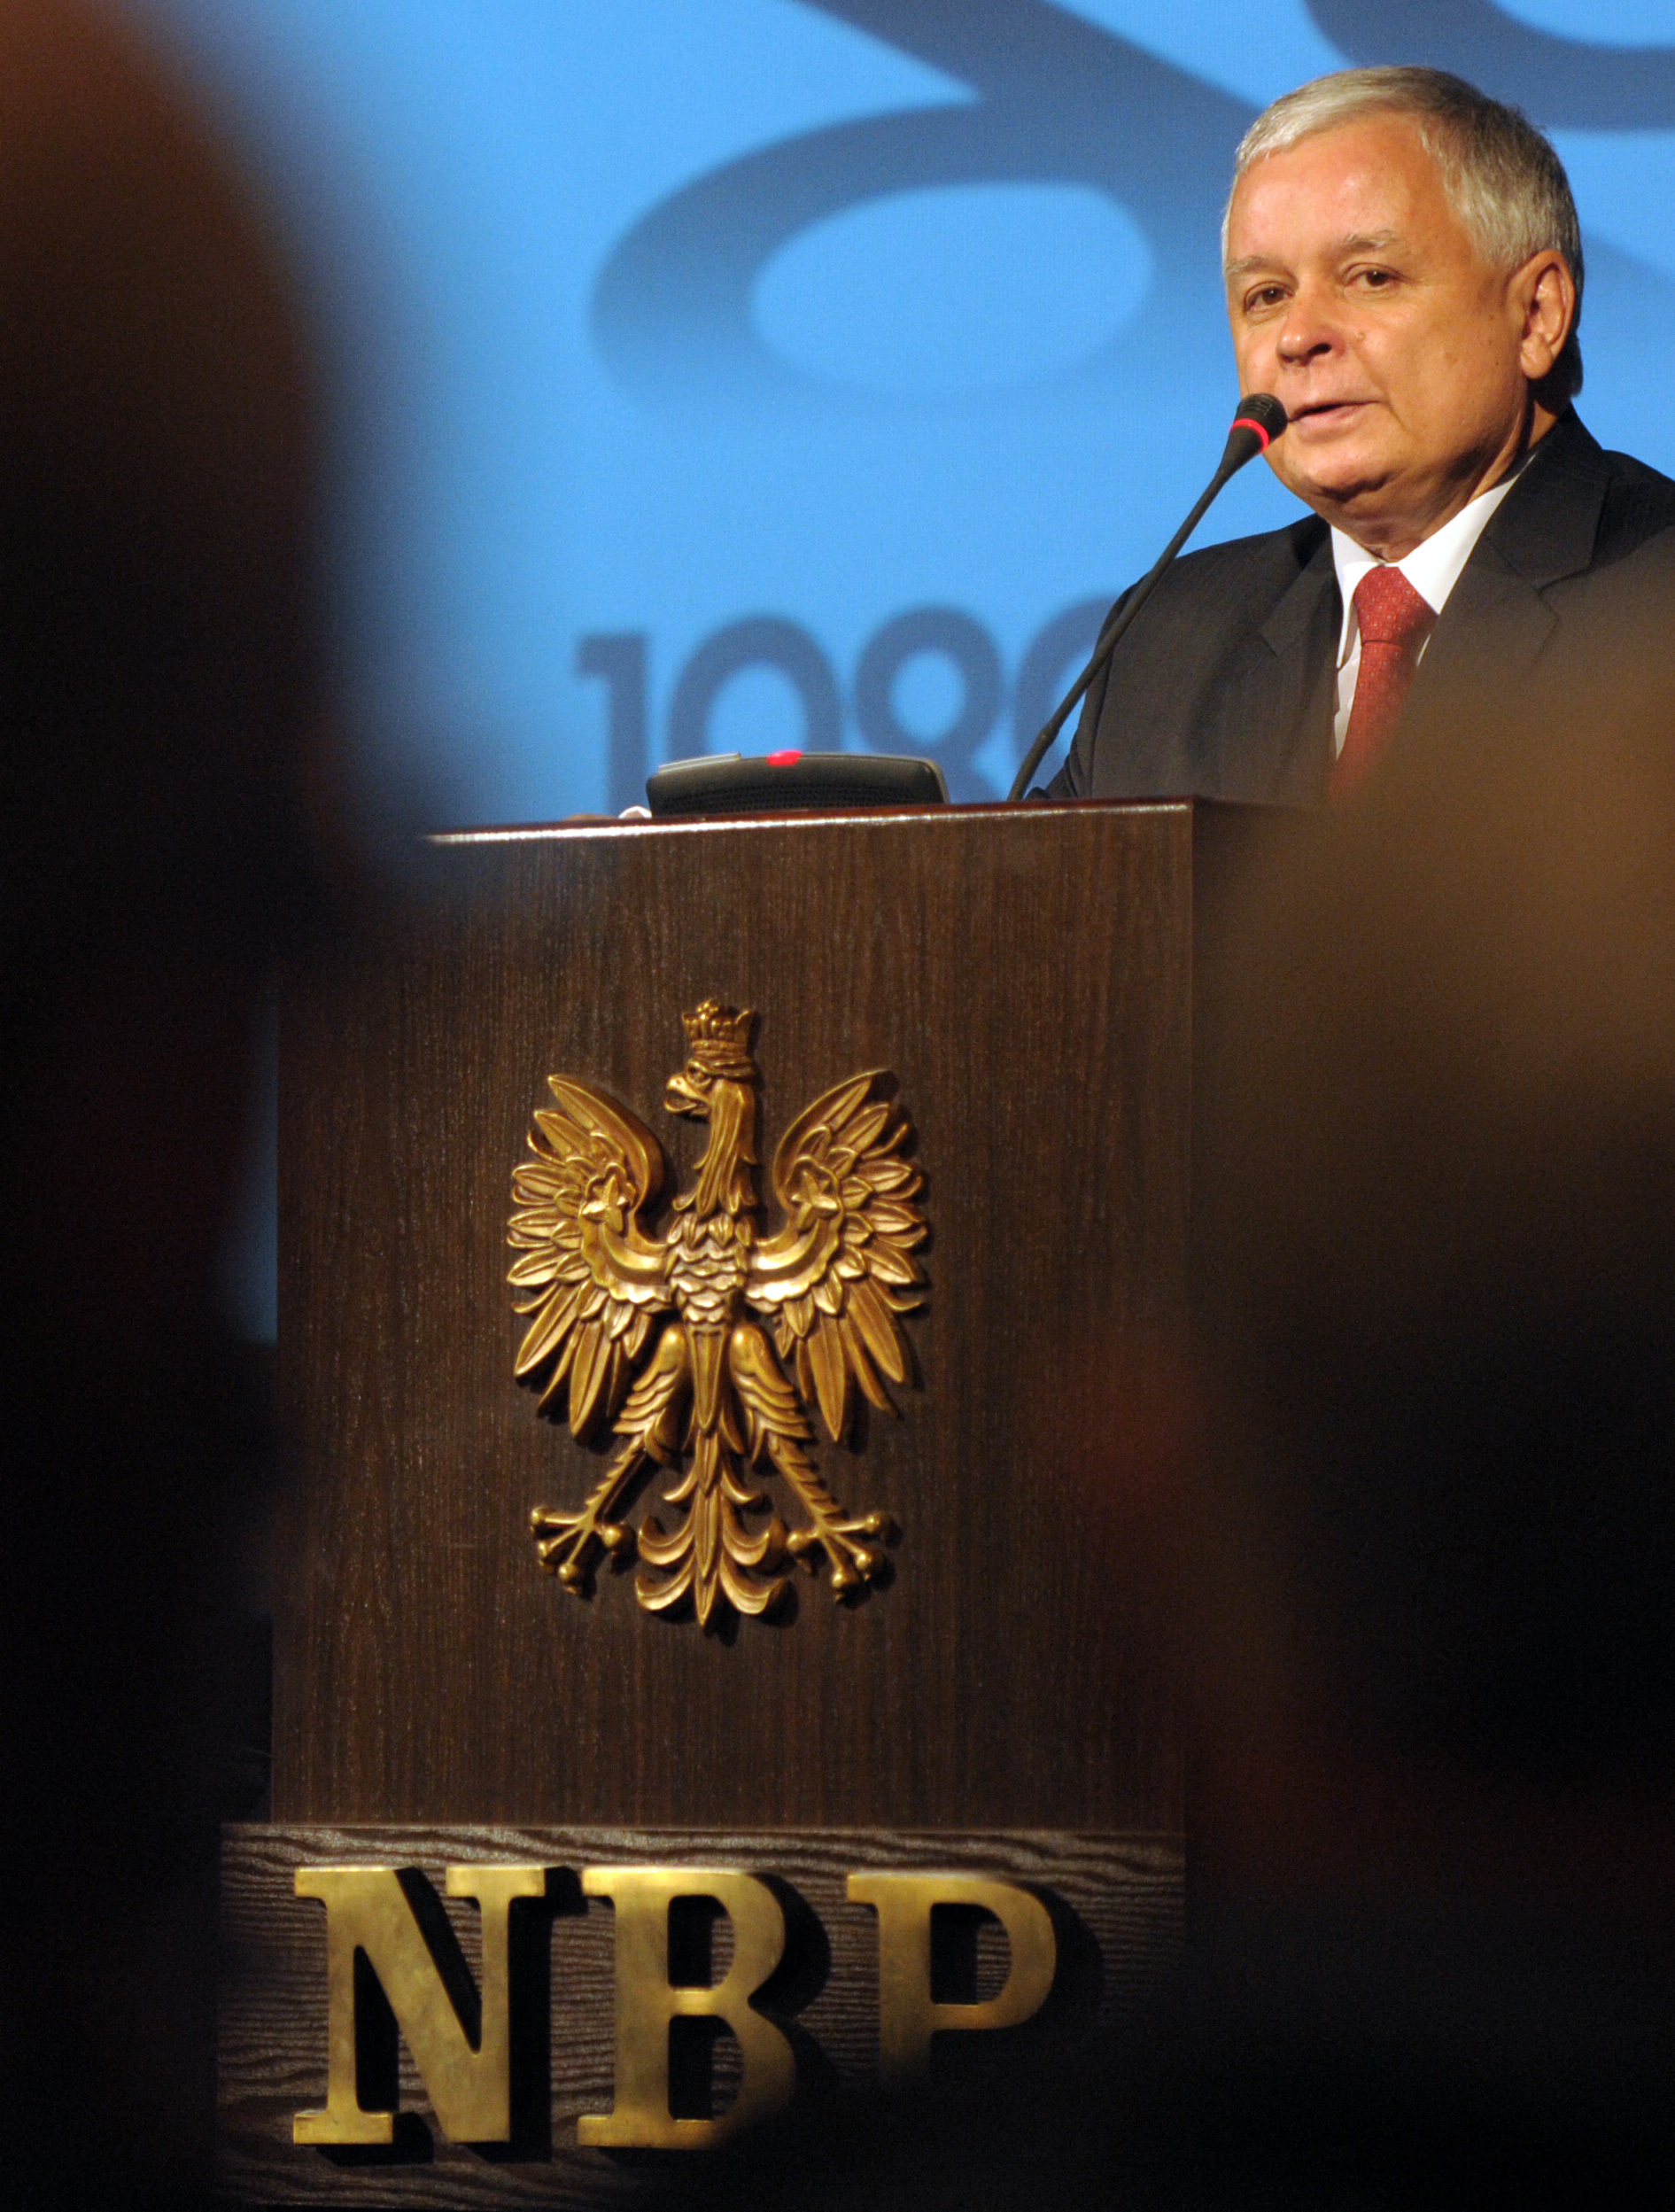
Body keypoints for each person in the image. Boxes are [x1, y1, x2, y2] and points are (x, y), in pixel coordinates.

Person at [1046, 66, 1675, 805]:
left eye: (1370, 277)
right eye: (1266, 296)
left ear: (1535, 315)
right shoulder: (1162, 646)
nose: (1298, 336)